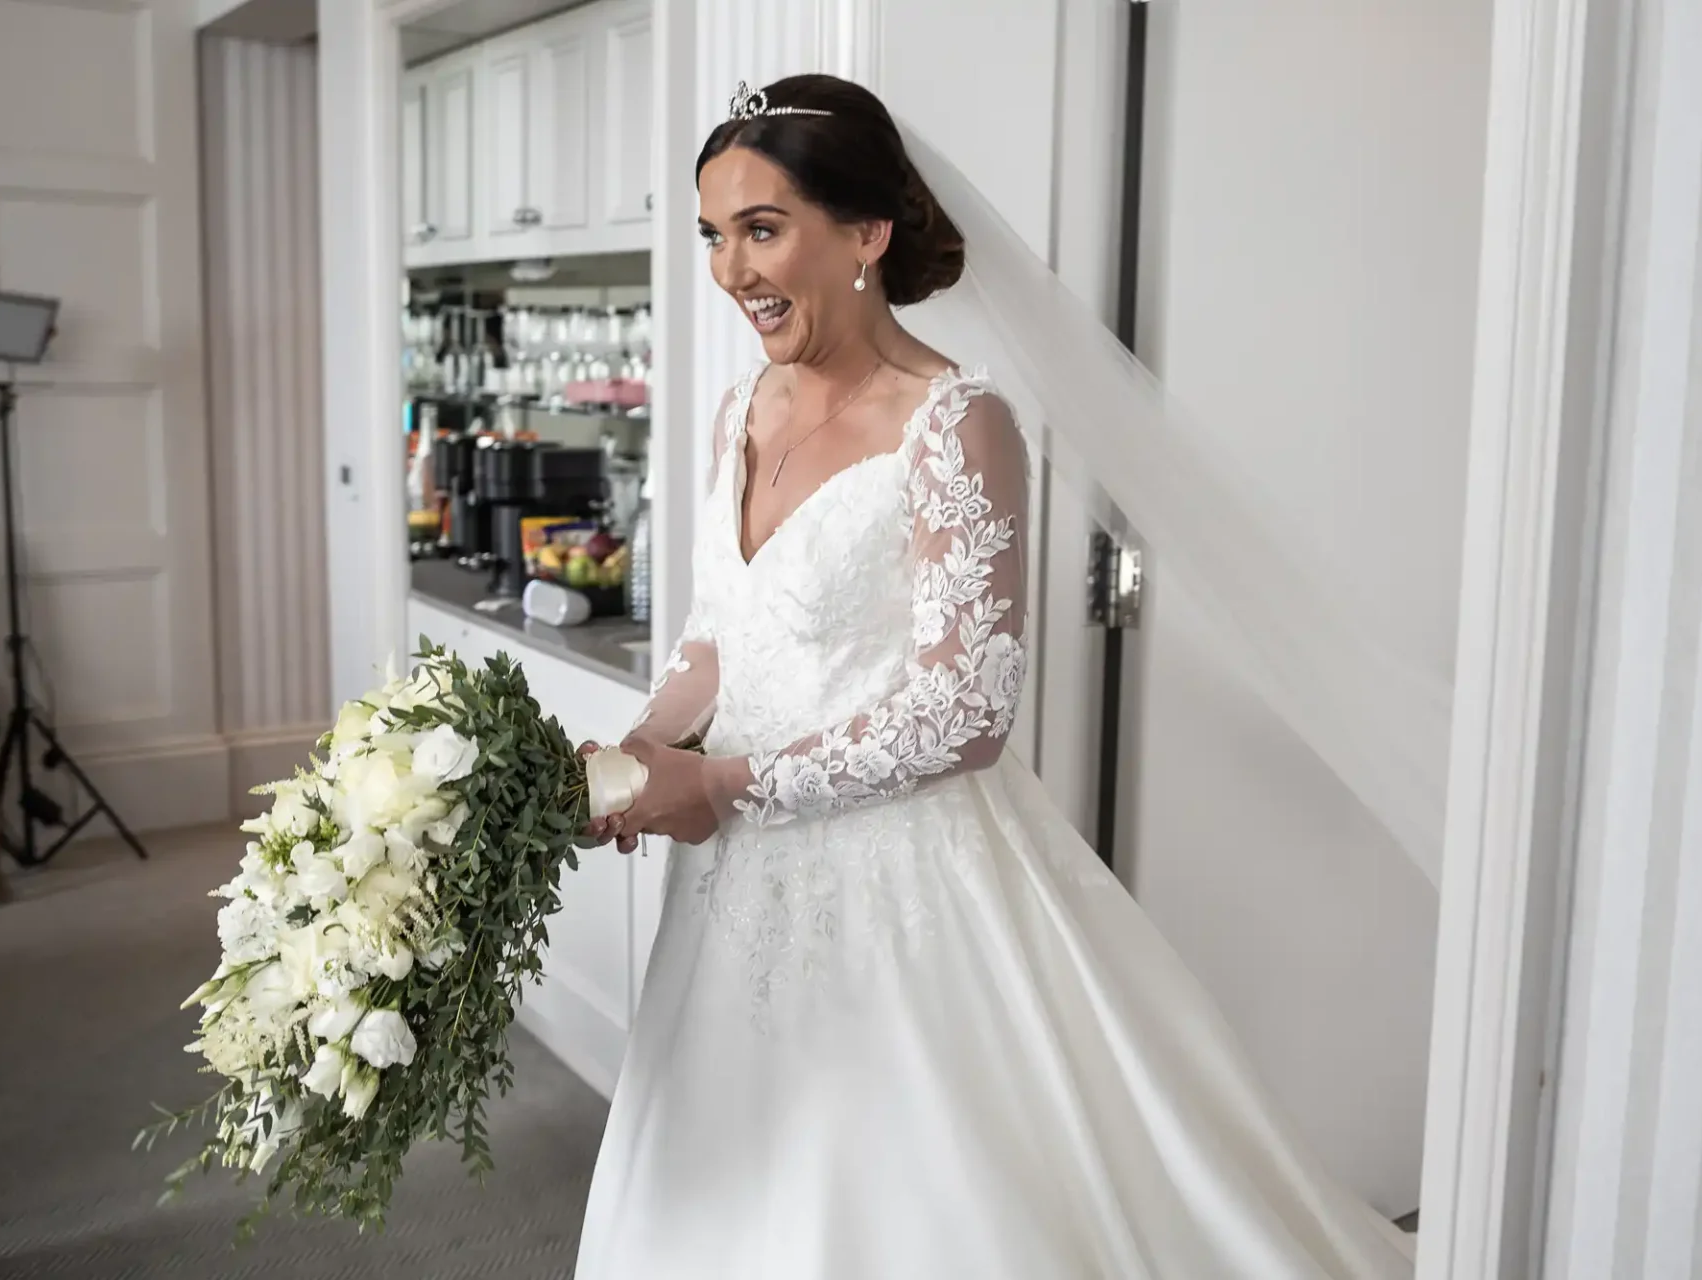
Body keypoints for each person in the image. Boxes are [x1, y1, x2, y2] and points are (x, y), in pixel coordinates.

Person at [571, 74, 1414, 1279]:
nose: (731, 269)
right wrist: (629, 759)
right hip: (732, 889)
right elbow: (720, 633)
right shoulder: (739, 409)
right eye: (714, 235)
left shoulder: (955, 422)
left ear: (865, 234)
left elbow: (964, 711)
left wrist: (723, 787)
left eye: (762, 229)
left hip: (902, 883)